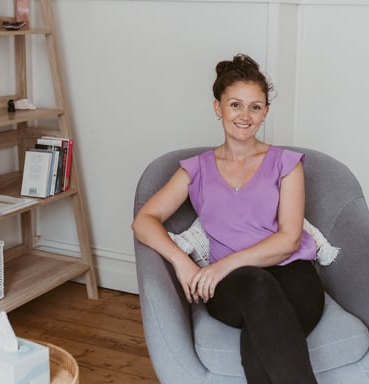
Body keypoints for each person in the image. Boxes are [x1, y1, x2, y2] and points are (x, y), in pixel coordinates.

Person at [132, 53, 324, 384]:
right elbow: (144, 220)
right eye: (235, 104)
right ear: (217, 107)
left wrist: (221, 265)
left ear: (265, 112)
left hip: (293, 276)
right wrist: (183, 263)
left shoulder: (287, 164)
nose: (244, 115)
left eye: (255, 106)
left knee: (260, 339)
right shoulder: (195, 169)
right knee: (257, 285)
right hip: (232, 288)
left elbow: (289, 239)